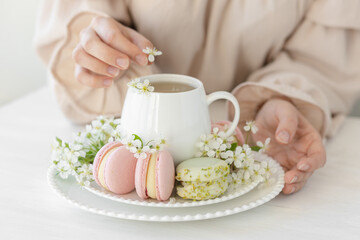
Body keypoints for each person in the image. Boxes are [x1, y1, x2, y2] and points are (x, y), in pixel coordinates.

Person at [34, 0, 360, 194]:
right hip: (124, 123)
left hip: (251, 153)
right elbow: (79, 22)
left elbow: (319, 60)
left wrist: (275, 102)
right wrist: (100, 51)